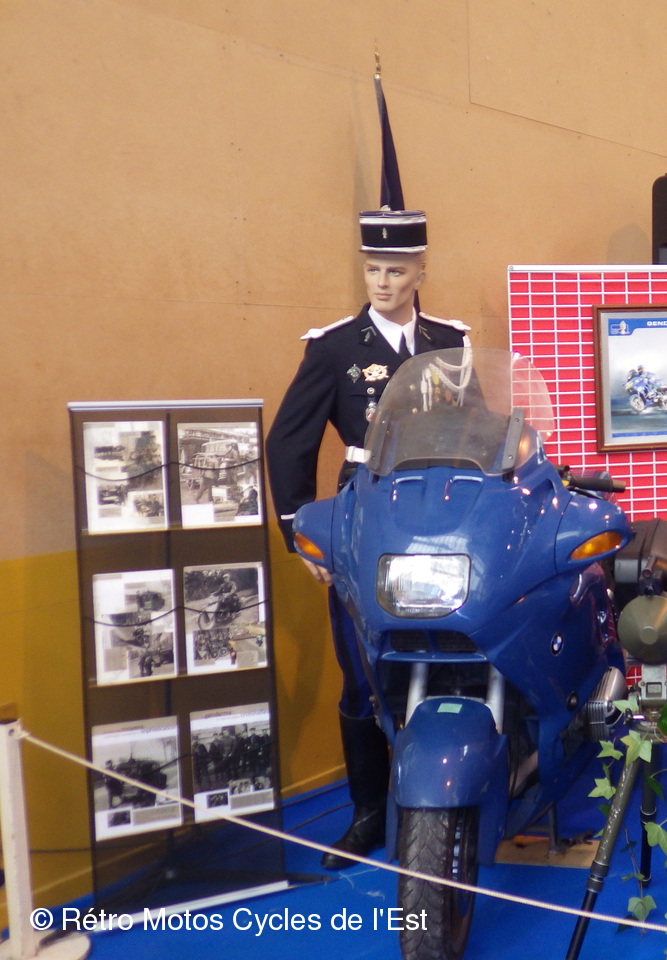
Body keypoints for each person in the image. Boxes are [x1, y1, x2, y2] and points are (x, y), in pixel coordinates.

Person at [265, 209, 469, 869]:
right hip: (365, 523)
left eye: (396, 270)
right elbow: (288, 443)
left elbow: (474, 431)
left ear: (420, 271)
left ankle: (446, 801)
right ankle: (367, 815)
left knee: (446, 660)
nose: (382, 282)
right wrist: (302, 534)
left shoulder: (450, 343)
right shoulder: (333, 349)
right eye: (373, 269)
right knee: (361, 671)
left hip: (443, 523)